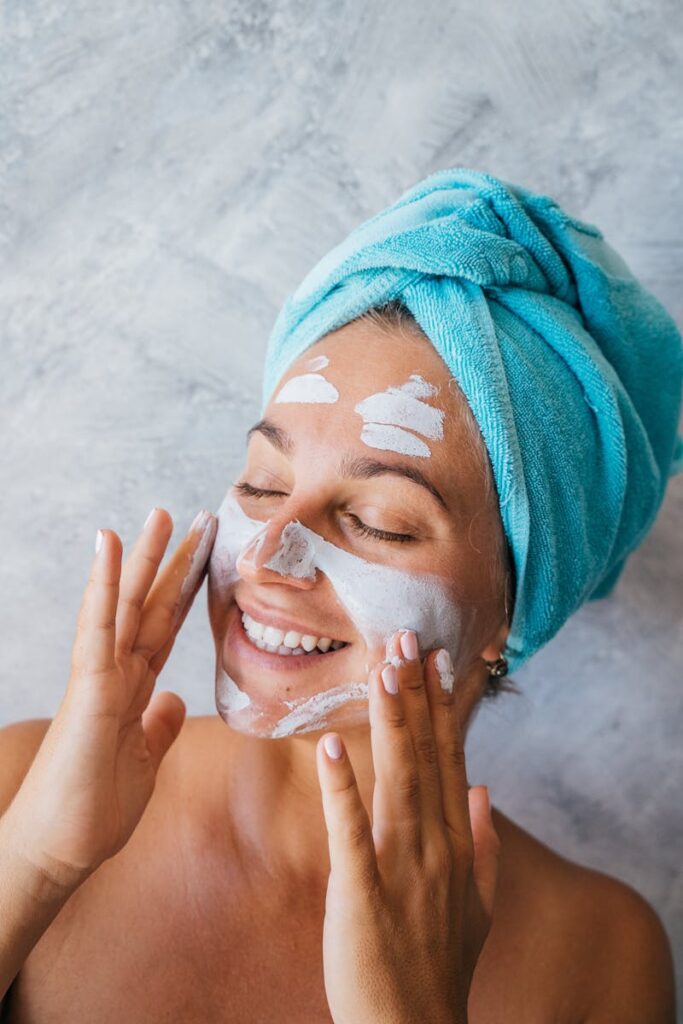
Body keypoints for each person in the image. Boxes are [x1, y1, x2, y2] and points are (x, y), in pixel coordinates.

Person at [0, 169, 679, 1023]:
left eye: (379, 522)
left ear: (513, 612)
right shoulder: (21, 787)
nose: (271, 557)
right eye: (261, 481)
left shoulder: (597, 957)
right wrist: (34, 865)